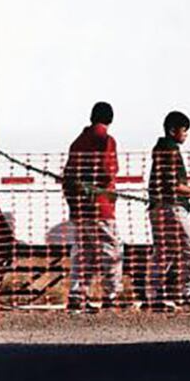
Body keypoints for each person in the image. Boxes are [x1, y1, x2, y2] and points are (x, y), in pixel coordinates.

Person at [62, 102, 123, 313]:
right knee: (111, 250)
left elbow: (68, 176)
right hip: (100, 206)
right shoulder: (106, 140)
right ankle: (111, 296)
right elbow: (108, 171)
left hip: (79, 208)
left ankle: (77, 296)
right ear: (110, 119)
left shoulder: (77, 142)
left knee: (83, 253)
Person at [145, 111, 190, 312]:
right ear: (173, 131)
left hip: (156, 208)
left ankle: (153, 296)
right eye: (184, 130)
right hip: (172, 208)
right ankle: (188, 292)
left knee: (163, 252)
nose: (186, 135)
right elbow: (173, 185)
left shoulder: (159, 150)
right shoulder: (171, 150)